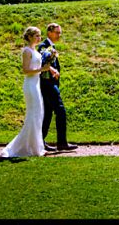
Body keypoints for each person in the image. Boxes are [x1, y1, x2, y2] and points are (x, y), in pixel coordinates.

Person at [1, 26, 54, 158]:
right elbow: (25, 70)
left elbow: (39, 66)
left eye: (40, 35)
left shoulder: (35, 51)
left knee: (38, 114)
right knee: (33, 114)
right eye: (36, 35)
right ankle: (22, 148)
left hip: (36, 84)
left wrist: (49, 67)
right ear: (30, 37)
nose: (39, 38)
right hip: (30, 85)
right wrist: (42, 69)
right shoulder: (26, 51)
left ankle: (37, 147)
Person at [37, 23, 78, 152]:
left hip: (51, 84)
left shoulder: (50, 47)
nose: (59, 35)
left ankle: (41, 142)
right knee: (60, 110)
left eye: (60, 33)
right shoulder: (44, 47)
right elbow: (42, 63)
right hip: (48, 84)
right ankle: (62, 142)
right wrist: (52, 69)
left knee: (48, 114)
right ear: (49, 32)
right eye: (57, 32)